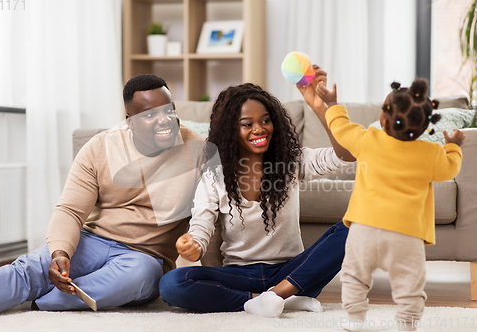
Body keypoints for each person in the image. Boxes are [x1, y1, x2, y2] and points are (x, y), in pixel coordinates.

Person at [0, 74, 206, 314]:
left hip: (144, 257)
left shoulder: (200, 151)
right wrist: (60, 252)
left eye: (169, 110)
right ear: (130, 121)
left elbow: (213, 212)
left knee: (138, 277)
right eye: (150, 115)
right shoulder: (100, 148)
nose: (164, 120)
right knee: (31, 269)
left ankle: (42, 302)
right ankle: (29, 290)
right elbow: (70, 210)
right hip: (92, 240)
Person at [158, 70, 356, 318]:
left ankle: (279, 294)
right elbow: (201, 227)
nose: (259, 129)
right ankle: (269, 300)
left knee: (357, 225)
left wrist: (321, 108)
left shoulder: (292, 161)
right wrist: (193, 245)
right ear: (230, 130)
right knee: (172, 284)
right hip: (240, 276)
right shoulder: (214, 177)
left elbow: (346, 155)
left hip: (294, 273)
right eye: (247, 124)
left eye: (265, 120)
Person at [315, 79, 464, 332]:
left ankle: (355, 320)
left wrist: (331, 103)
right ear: (425, 126)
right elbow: (451, 167)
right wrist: (453, 147)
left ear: (383, 121)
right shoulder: (430, 154)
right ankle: (406, 324)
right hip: (407, 236)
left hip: (364, 229)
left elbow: (340, 127)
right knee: (410, 285)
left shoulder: (368, 139)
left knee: (353, 275)